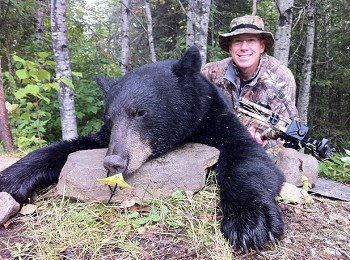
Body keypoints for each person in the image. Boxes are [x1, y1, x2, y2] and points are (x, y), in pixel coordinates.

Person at [202, 15, 299, 153]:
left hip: (260, 154)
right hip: (217, 145)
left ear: (262, 46)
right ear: (230, 47)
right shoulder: (211, 73)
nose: (243, 47)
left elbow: (292, 130)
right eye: (237, 41)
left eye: (251, 40)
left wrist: (262, 139)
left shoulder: (280, 78)